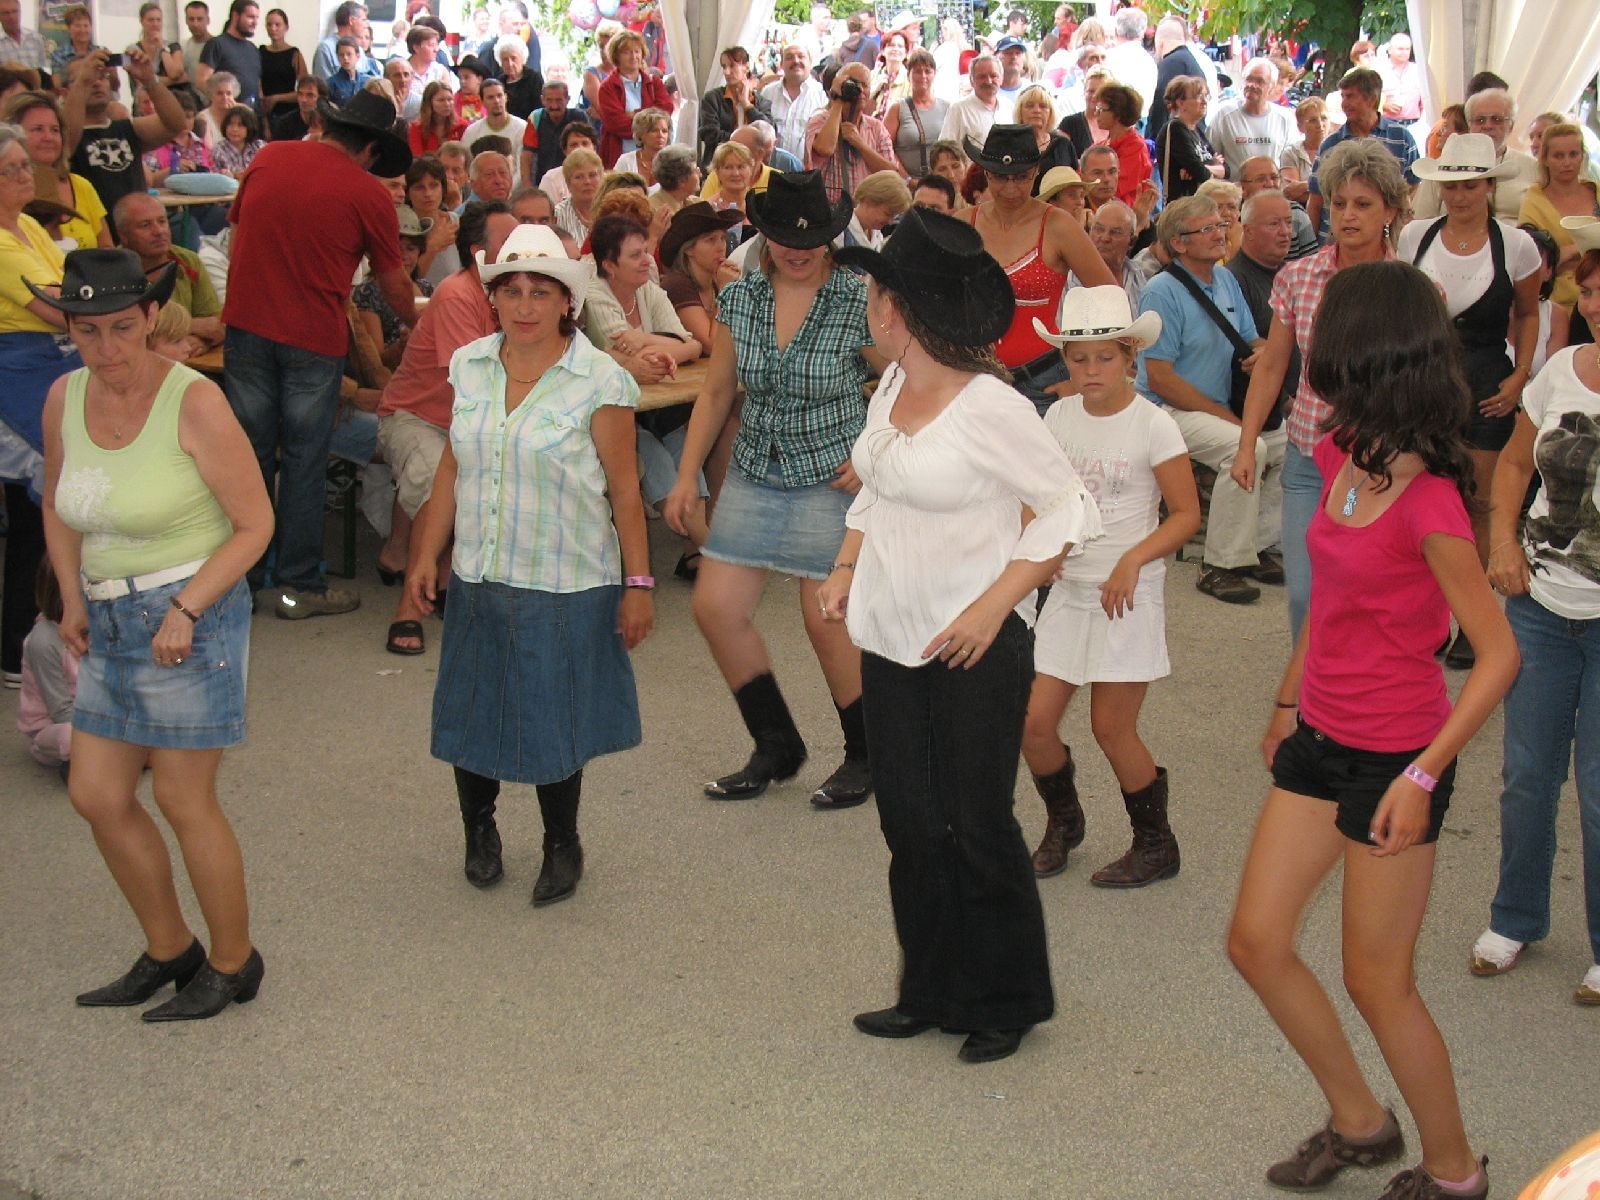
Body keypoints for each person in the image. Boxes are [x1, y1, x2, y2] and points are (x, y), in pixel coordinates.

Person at [1226, 259, 1517, 1200]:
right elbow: (1330, 609)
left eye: (1328, 350)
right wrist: (1284, 702)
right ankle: (1360, 1120)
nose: (1312, 360)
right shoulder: (1340, 452)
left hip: (1399, 758)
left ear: (1367, 361)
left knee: (1376, 980)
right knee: (1257, 942)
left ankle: (1455, 1172)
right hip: (1321, 736)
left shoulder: (1433, 504)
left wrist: (1423, 777)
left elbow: (1498, 656)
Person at [817, 205, 1099, 1065]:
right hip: (890, 629)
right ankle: (929, 989)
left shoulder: (991, 406)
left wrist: (993, 604)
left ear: (900, 304)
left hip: (976, 642)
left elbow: (1069, 510)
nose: (866, 301)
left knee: (975, 821)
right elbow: (881, 485)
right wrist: (843, 564)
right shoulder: (895, 384)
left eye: (874, 290)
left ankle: (1006, 998)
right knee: (909, 819)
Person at [36, 247, 274, 1020]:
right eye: (87, 332)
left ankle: (235, 962)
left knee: (182, 795)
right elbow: (58, 505)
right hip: (105, 614)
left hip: (189, 609)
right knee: (98, 793)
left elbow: (254, 525)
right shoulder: (63, 398)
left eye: (121, 328)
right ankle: (171, 948)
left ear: (148, 319)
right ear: (68, 330)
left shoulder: (193, 400)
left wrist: (189, 608)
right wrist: (71, 596)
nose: (107, 350)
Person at [402, 223, 652, 906]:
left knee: (553, 714)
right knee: (472, 709)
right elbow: (453, 463)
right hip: (481, 568)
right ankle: (478, 829)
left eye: (540, 291)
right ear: (495, 298)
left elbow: (626, 490)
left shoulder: (600, 379)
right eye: (511, 290)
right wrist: (427, 553)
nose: (524, 306)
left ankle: (561, 842)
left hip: (567, 577)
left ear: (567, 301)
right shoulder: (471, 364)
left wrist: (638, 586)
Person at [660, 171, 885, 809]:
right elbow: (717, 389)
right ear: (764, 233)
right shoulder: (743, 298)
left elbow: (906, 381)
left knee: (827, 617)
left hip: (830, 473)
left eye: (811, 236)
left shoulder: (857, 298)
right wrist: (685, 476)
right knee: (715, 609)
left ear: (832, 237)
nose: (798, 246)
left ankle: (866, 752)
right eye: (785, 234)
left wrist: (873, 454)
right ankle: (776, 743)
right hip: (758, 467)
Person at [1021, 284, 1199, 884]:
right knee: (1033, 723)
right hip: (1069, 591)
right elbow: (1041, 498)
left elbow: (1185, 515)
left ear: (1130, 356)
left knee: (1110, 727)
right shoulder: (1059, 416)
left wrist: (1133, 560)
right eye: (1078, 357)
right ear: (1064, 359)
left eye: (1105, 356)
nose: (1091, 368)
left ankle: (1156, 844)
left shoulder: (1154, 426)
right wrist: (1041, 552)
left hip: (1128, 593)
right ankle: (1064, 821)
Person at [223, 89, 416, 618]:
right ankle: (298, 585)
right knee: (306, 461)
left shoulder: (267, 156)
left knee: (250, 456)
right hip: (311, 337)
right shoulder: (368, 193)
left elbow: (237, 236)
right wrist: (423, 322)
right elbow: (393, 282)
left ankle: (239, 581)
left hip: (246, 326)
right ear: (372, 151)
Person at [1472, 229, 1600, 1009]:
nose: (1598, 305)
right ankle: (1517, 917)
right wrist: (1501, 542)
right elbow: (1516, 461)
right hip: (1544, 606)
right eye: (1589, 292)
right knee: (1526, 778)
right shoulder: (1558, 372)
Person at [1233, 140, 1410, 639]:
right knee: (1303, 591)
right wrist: (1247, 444)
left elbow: (1419, 385)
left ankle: (1355, 699)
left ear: (1389, 212)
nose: (1348, 215)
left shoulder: (1412, 289)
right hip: (1309, 455)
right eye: (1339, 203)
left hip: (1382, 461)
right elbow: (1271, 368)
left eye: (1363, 204)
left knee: (1366, 590)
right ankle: (1305, 704)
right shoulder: (1298, 276)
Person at [1401, 133, 1541, 669]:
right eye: (1451, 185)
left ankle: (1472, 618)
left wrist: (1522, 375)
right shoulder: (1415, 236)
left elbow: (1528, 313)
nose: (1460, 196)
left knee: (1478, 504)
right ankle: (1426, 613)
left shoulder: (1517, 245)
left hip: (1486, 382)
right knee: (1420, 500)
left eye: (1470, 185)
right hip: (1426, 383)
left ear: (1488, 187)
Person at [377, 200, 515, 655]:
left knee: (442, 472)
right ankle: (409, 608)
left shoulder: (515, 292)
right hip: (416, 416)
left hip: (459, 420)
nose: (522, 249)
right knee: (441, 483)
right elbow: (471, 385)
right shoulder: (458, 295)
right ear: (478, 253)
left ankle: (399, 554)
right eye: (509, 242)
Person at [1136, 194, 1280, 605]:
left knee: (1292, 440)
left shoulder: (1226, 279)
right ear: (1179, 243)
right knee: (1244, 446)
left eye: (1221, 225)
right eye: (1209, 229)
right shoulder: (1161, 292)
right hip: (1165, 411)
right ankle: (1220, 565)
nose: (1221, 234)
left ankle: (1257, 545)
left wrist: (1263, 355)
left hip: (1215, 407)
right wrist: (1236, 423)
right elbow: (1161, 380)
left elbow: (1254, 339)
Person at [0, 123, 83, 691]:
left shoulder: (29, 223)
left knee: (56, 509)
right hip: (17, 373)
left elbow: (69, 292)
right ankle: (16, 648)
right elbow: (58, 307)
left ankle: (56, 633)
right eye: (8, 170)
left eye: (23, 164)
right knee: (40, 511)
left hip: (56, 364)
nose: (23, 174)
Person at [961, 125, 1114, 410]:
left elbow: (1110, 299)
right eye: (1000, 178)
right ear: (985, 174)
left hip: (1043, 382)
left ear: (1036, 172)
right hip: (972, 383)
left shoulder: (1059, 226)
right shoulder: (962, 224)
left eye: (1021, 177)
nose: (1010, 189)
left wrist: (1081, 374)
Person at [64, 49, 188, 218]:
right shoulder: (64, 137)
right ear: (65, 91)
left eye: (101, 77)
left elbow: (176, 124)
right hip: (97, 236)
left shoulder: (127, 128)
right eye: (87, 78)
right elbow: (64, 145)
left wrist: (150, 80)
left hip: (139, 232)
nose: (96, 83)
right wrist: (81, 84)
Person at [1305, 68, 1418, 239]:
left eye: (1350, 96)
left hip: (1383, 241)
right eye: (1343, 97)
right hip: (1334, 243)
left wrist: (1393, 212)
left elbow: (1413, 183)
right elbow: (1315, 200)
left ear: (1372, 99)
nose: (1344, 104)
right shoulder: (1331, 144)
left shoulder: (1401, 138)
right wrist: (1311, 247)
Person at [3, 90, 110, 251]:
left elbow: (106, 246)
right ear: (15, 135)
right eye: (38, 129)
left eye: (55, 130)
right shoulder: (7, 189)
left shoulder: (81, 185)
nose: (49, 137)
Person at [113, 192, 224, 346]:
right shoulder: (111, 270)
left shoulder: (188, 261)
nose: (159, 231)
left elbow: (215, 326)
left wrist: (201, 342)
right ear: (123, 235)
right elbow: (130, 333)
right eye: (145, 225)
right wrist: (191, 325)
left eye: (162, 221)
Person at [1413, 89, 1537, 224]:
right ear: (1469, 125)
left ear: (1511, 126)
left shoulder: (1532, 167)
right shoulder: (1441, 169)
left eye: (1497, 119)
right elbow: (1420, 220)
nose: (1488, 126)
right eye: (1480, 120)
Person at [1519, 122, 1598, 308]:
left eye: (1573, 154)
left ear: (1582, 156)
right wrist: (1582, 248)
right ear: (1544, 158)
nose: (1567, 162)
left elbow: (1554, 260)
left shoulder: (1597, 192)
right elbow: (1533, 263)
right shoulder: (1534, 201)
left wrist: (1564, 256)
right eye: (1558, 156)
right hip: (1557, 304)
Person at [805, 61, 896, 204]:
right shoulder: (819, 121)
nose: (859, 90)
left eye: (865, 85)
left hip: (865, 214)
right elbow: (824, 148)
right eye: (853, 83)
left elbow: (891, 175)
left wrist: (860, 144)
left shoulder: (876, 128)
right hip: (828, 213)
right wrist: (838, 99)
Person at [18, 559, 76, 774]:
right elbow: (61, 711)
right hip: (56, 725)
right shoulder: (44, 641)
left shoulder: (102, 625)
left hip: (102, 717)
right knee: (73, 737)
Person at [1208, 58, 1298, 182]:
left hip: (1271, 193)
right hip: (1235, 195)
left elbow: (1291, 161)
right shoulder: (1223, 115)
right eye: (1249, 79)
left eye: (1260, 81)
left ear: (1271, 87)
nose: (1252, 85)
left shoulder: (1284, 119)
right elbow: (1211, 157)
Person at [596, 30, 670, 169]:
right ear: (616, 56)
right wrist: (649, 118)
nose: (633, 56)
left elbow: (665, 113)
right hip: (619, 157)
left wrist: (634, 115)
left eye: (636, 51)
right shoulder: (607, 87)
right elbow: (616, 124)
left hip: (655, 157)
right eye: (626, 52)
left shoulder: (654, 82)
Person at [698, 46, 770, 169]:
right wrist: (746, 142)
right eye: (724, 66)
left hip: (753, 167)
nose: (726, 72)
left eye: (732, 66)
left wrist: (747, 105)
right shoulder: (713, 98)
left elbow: (768, 133)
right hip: (719, 166)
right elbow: (710, 134)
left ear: (746, 67)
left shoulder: (761, 102)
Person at [1155, 75, 1222, 203]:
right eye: (1199, 97)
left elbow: (1226, 170)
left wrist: (1205, 167)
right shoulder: (1175, 128)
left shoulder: (1197, 130)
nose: (1205, 102)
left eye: (1206, 96)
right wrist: (1211, 165)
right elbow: (1203, 174)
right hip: (1182, 208)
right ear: (1181, 102)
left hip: (1200, 204)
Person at [762, 44, 826, 165]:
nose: (796, 61)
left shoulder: (822, 95)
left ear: (810, 62)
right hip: (771, 170)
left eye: (801, 56)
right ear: (781, 64)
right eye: (789, 57)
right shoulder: (768, 92)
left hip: (805, 174)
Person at [1095, 83, 1150, 209]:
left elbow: (1114, 188)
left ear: (1118, 114)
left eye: (1101, 109)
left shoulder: (1136, 147)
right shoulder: (1102, 144)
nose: (1096, 113)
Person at [196, 0, 261, 107]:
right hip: (227, 117)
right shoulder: (216, 44)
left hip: (253, 116)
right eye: (250, 17)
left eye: (256, 18)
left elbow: (257, 85)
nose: (255, 22)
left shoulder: (253, 48)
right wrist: (224, 101)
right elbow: (202, 82)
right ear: (235, 16)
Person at [1101, 5, 1156, 121]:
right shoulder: (1149, 62)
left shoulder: (1108, 58)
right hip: (1140, 120)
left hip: (1114, 120)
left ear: (1116, 31)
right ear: (1142, 33)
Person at [937, 53, 1003, 147]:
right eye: (982, 77)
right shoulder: (959, 109)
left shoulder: (1009, 107)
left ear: (1001, 78)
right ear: (972, 80)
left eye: (994, 75)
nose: (988, 81)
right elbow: (945, 149)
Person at [257, 8, 306, 127]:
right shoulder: (260, 52)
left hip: (288, 112)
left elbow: (304, 89)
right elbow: (257, 84)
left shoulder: (294, 54)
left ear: (286, 27)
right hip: (265, 111)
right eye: (269, 25)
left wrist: (276, 98)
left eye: (277, 25)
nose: (273, 29)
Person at [1014, 84, 1078, 174]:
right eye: (1029, 106)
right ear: (1020, 111)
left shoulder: (1063, 144)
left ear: (1051, 112)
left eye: (1043, 106)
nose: (1037, 110)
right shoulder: (1010, 145)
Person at [1279, 96, 1327, 205]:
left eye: (1324, 118)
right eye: (1313, 120)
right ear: (1300, 127)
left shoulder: (1338, 150)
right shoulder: (1291, 152)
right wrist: (1325, 188)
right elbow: (1290, 193)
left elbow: (1340, 190)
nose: (1320, 125)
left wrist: (1303, 186)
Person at [552, 146, 601, 243]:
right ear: (568, 183)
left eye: (592, 175)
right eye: (579, 177)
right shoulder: (557, 215)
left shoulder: (613, 211)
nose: (587, 181)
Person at [613, 107, 669, 185]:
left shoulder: (674, 163)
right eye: (654, 130)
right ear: (641, 134)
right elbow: (613, 192)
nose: (660, 135)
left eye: (664, 131)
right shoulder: (626, 161)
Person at [1377, 32, 1423, 123]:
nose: (1404, 52)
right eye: (1400, 49)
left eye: (1407, 49)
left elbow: (1425, 100)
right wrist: (1384, 106)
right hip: (1386, 123)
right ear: (1390, 50)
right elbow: (1367, 98)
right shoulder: (1379, 70)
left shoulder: (1418, 71)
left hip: (1413, 123)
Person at [493, 34, 540, 121]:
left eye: (513, 58)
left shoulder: (534, 78)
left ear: (522, 58)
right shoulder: (499, 82)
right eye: (505, 59)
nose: (510, 64)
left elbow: (539, 110)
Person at [409, 79, 462, 155]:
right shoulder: (416, 128)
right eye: (441, 100)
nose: (447, 104)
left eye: (450, 99)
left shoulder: (462, 126)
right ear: (429, 103)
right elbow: (417, 157)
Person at [0, 0, 52, 75]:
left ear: (20, 12)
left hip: (34, 85)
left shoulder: (35, 38)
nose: (11, 16)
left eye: (14, 11)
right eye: (6, 13)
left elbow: (42, 70)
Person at [210, 103, 263, 175]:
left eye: (240, 125)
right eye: (230, 124)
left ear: (249, 126)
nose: (234, 129)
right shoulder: (218, 150)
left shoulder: (259, 146)